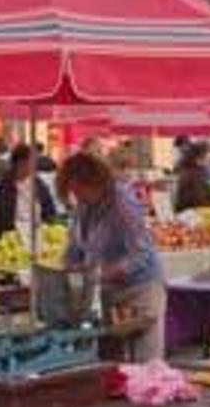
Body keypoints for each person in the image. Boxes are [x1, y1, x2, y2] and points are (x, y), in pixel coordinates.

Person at [59, 146, 166, 362]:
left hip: (139, 290)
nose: (75, 196)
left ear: (94, 182)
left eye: (78, 189)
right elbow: (75, 245)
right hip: (110, 293)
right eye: (72, 191)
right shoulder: (83, 206)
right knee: (115, 363)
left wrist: (106, 272)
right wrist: (67, 269)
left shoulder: (122, 205)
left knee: (145, 363)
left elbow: (142, 254)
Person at [0, 143, 57, 242]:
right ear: (19, 162)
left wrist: (49, 227)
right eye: (30, 162)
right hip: (14, 237)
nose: (33, 165)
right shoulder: (3, 188)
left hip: (38, 233)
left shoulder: (38, 183)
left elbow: (49, 208)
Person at [172, 143, 210, 214]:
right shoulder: (192, 173)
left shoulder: (192, 170)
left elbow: (205, 191)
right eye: (205, 156)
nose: (207, 158)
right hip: (191, 212)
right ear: (197, 157)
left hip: (190, 210)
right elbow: (197, 197)